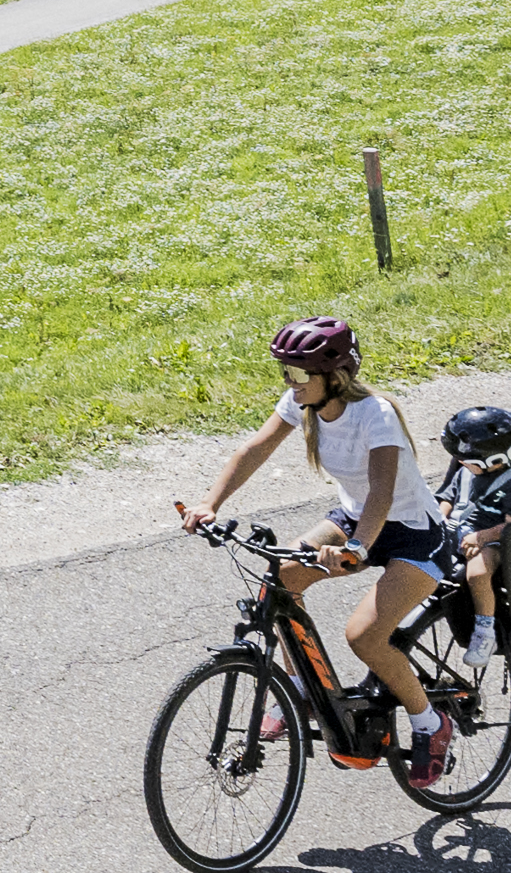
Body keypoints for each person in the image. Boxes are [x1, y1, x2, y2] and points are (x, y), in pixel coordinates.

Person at [178, 311, 461, 785]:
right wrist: (209, 502)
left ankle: (431, 724)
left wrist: (356, 549)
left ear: (336, 376)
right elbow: (253, 450)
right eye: (285, 371)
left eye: (299, 373)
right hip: (354, 520)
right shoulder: (302, 403)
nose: (290, 381)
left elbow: (382, 491)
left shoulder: (377, 414)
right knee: (283, 577)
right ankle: (299, 689)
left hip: (411, 533)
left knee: (365, 636)